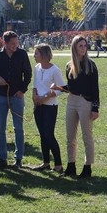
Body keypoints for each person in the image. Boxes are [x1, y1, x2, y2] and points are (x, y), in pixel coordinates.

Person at [52, 35, 100, 178]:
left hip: (85, 102)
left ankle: (87, 167)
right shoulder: (69, 65)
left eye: (85, 46)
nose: (83, 49)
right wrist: (59, 88)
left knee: (87, 136)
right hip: (72, 101)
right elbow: (72, 86)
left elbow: (95, 88)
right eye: (80, 46)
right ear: (74, 47)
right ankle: (71, 165)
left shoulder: (91, 65)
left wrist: (95, 108)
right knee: (70, 136)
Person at [0, 31, 32, 169]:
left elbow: (28, 74)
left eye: (16, 43)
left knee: (18, 128)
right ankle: (2, 159)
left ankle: (18, 159)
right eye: (12, 44)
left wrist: (22, 90)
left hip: (16, 96)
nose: (15, 46)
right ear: (5, 43)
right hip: (0, 96)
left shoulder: (22, 54)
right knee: (0, 128)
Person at [31, 43, 65, 174]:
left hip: (50, 106)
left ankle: (58, 165)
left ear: (44, 55)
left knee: (49, 135)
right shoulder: (37, 68)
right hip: (38, 106)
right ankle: (45, 162)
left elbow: (61, 88)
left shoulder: (54, 70)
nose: (34, 56)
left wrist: (45, 96)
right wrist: (34, 95)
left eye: (36, 53)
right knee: (42, 135)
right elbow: (35, 84)